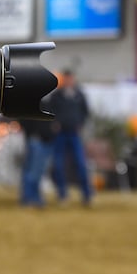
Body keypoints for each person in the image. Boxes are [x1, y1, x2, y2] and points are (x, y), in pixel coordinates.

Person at [47, 69, 93, 206]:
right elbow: (50, 112)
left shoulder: (79, 95)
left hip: (74, 133)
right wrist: (55, 124)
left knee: (80, 163)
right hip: (60, 134)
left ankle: (86, 195)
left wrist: (81, 124)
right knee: (58, 164)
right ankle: (62, 194)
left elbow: (85, 112)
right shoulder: (56, 96)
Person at [18, 117, 57, 208]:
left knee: (35, 172)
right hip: (38, 139)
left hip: (45, 139)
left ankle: (31, 197)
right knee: (34, 172)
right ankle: (30, 198)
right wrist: (34, 132)